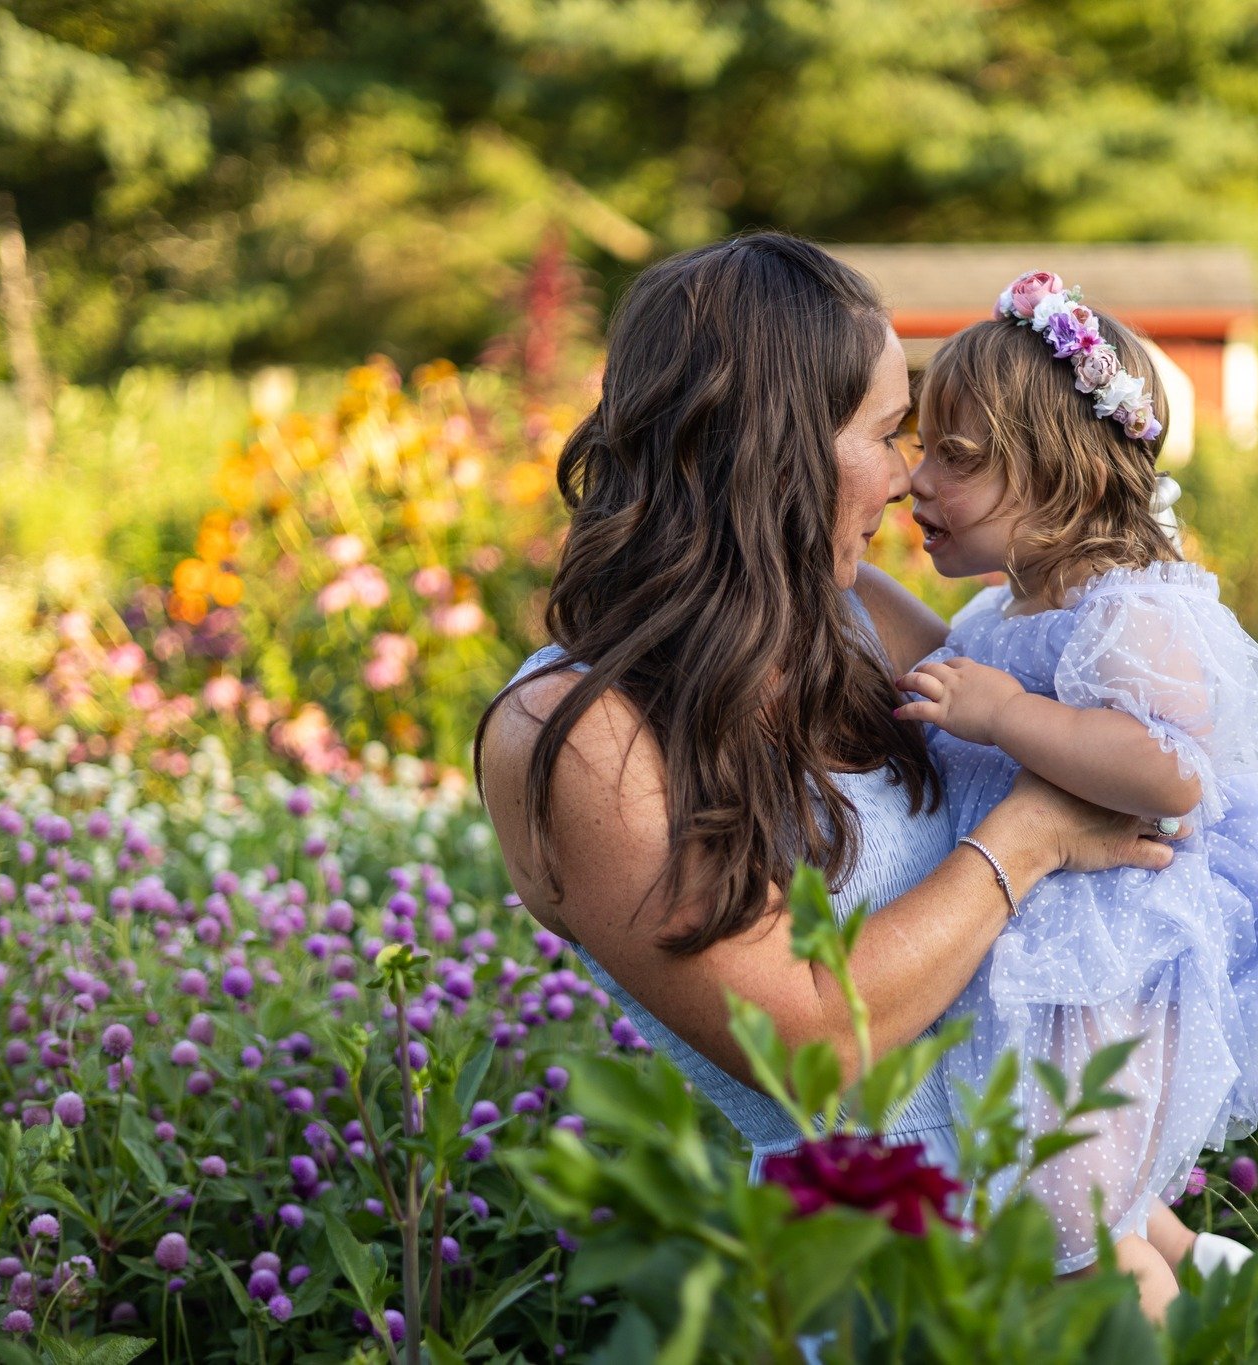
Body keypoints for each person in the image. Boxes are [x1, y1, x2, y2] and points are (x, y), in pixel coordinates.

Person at [471, 236, 1182, 1210]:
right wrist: (1030, 838)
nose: (904, 479)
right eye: (888, 433)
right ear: (774, 444)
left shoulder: (858, 617)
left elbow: (1108, 764)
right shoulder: (578, 731)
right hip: (868, 1246)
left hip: (1064, 1190)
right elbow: (800, 1039)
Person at [893, 270, 1258, 1321]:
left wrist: (1006, 717)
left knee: (1073, 1231)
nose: (914, 481)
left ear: (1057, 474)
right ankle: (1196, 1268)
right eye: (918, 449)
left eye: (953, 460)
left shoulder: (1128, 610)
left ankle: (1157, 1320)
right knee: (1074, 1191)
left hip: (1109, 962)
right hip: (1053, 956)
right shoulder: (1002, 615)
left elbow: (1168, 768)